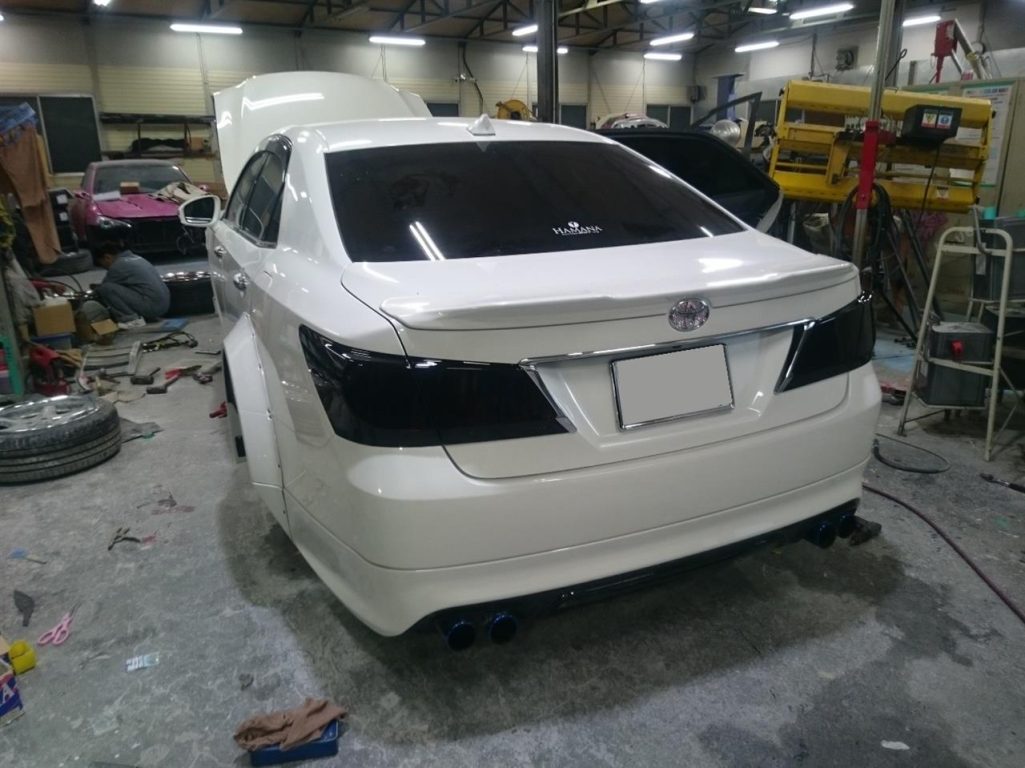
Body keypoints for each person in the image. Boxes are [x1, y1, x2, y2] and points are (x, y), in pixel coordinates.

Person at [91, 240, 170, 330]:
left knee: (105, 289)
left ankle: (131, 320)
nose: (105, 268)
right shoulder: (136, 257)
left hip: (153, 307)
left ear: (107, 257)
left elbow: (103, 289)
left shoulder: (118, 266)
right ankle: (144, 316)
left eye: (102, 264)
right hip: (164, 305)